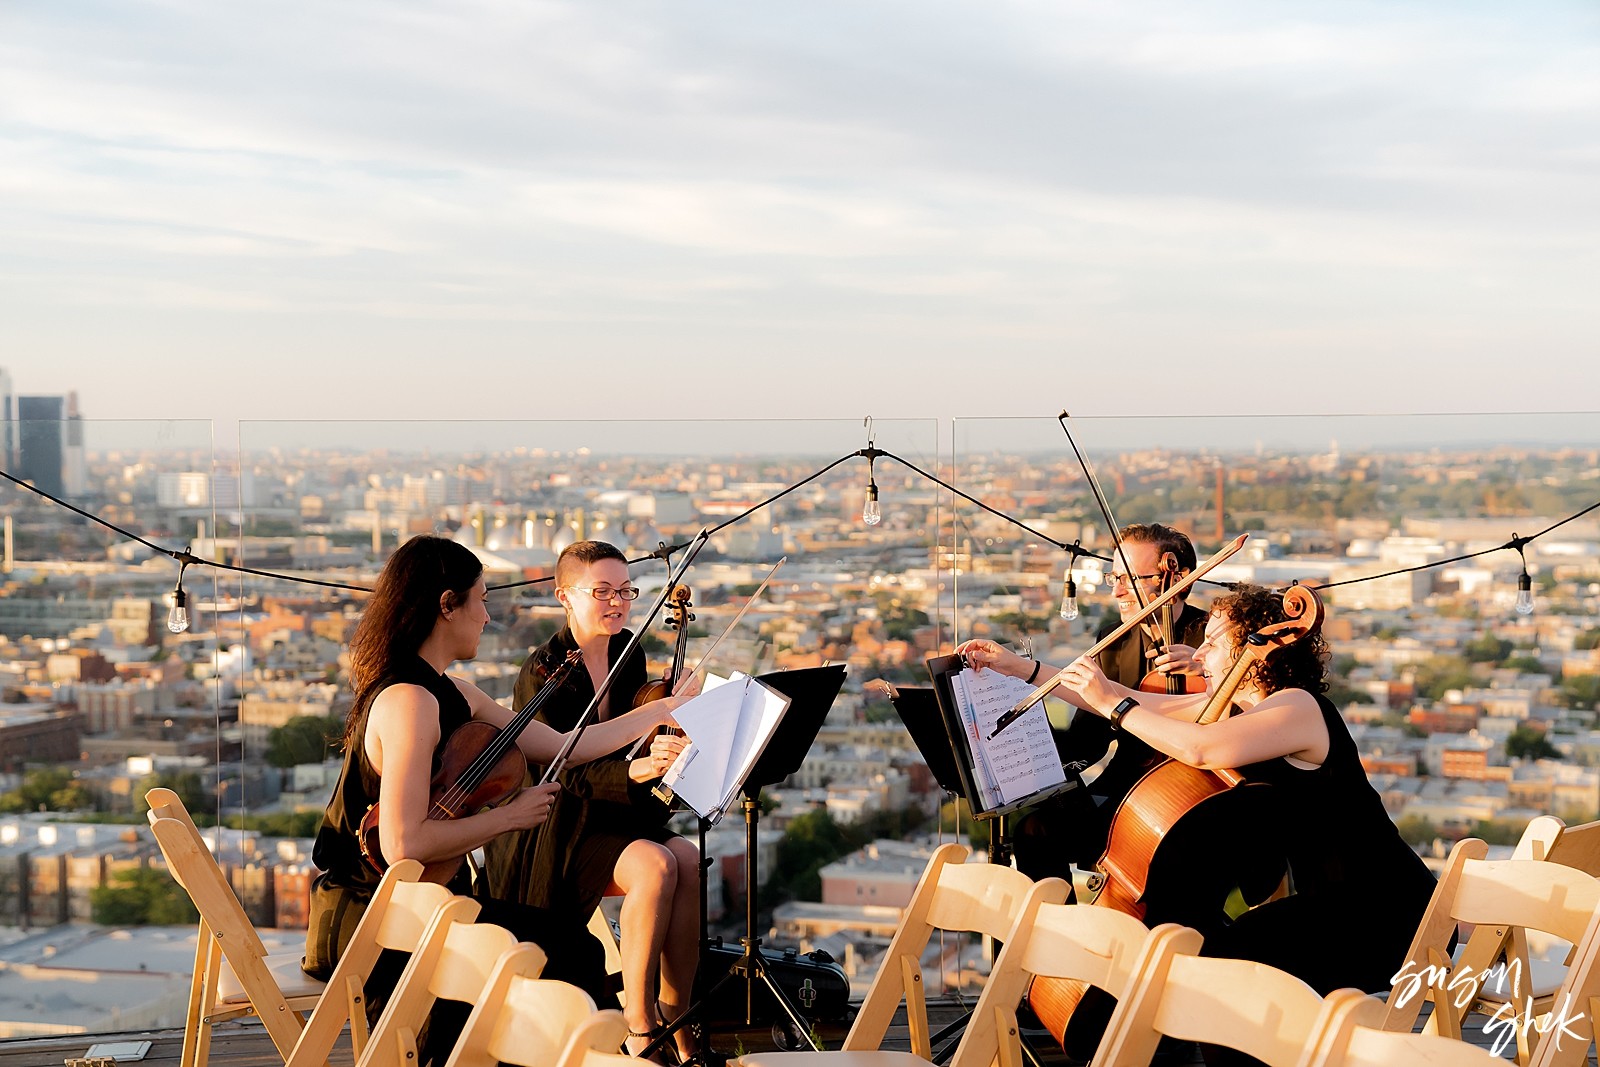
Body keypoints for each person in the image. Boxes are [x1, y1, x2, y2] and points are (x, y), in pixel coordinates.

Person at [967, 583, 1437, 1062]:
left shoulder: (1299, 707)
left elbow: (1197, 748)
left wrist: (1115, 705)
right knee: (1225, 964)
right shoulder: (1238, 709)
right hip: (1332, 901)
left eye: (1213, 641)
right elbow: (1122, 699)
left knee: (1232, 968)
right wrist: (1022, 669)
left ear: (1256, 649)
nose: (1200, 652)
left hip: (1386, 909)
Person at [303, 535, 689, 1063]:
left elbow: (561, 747)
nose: (486, 616)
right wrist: (507, 818)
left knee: (572, 951)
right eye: (480, 600)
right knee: (572, 955)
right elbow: (404, 843)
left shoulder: (457, 692)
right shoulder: (410, 701)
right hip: (373, 926)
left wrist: (661, 709)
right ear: (447, 606)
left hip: (422, 908)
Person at [484, 540, 702, 1063]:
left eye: (625, 590)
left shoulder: (629, 652)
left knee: (691, 860)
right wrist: (638, 769)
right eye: (601, 591)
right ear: (564, 596)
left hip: (614, 811)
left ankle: (680, 1014)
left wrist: (663, 744)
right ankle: (639, 1022)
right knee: (655, 865)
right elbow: (558, 771)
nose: (617, 602)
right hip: (557, 825)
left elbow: (633, 740)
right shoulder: (543, 673)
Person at [962, 523, 1208, 893]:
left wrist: (1205, 667)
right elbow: (1087, 740)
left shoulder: (1213, 639)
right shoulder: (1114, 640)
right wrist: (1010, 751)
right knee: (1034, 831)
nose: (1118, 591)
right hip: (1128, 789)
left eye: (1131, 579)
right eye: (1114, 577)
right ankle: (1058, 939)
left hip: (1197, 798)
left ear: (1178, 579)